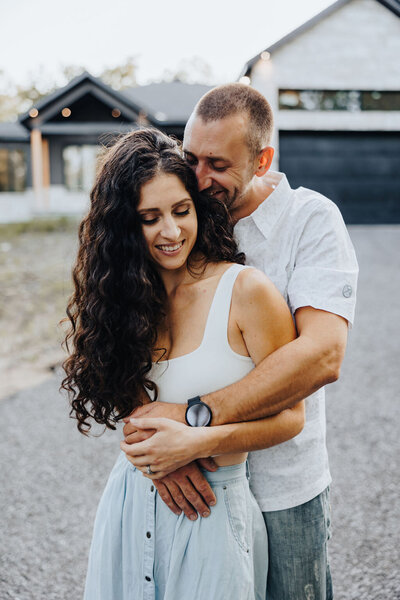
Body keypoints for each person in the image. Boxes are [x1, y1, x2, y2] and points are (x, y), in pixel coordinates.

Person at [122, 84, 359, 600]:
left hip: (282, 487)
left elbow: (323, 354)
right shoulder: (181, 219)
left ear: (262, 159)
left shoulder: (310, 221)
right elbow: (130, 329)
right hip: (197, 488)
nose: (200, 178)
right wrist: (154, 445)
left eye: (218, 164)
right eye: (191, 159)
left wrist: (192, 421)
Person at [62, 127, 306, 600]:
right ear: (124, 228)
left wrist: (193, 444)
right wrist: (159, 463)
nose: (171, 232)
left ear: (198, 207)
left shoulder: (246, 291)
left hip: (211, 511)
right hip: (132, 501)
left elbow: (292, 417)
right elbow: (130, 404)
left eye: (181, 210)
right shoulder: (122, 301)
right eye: (149, 218)